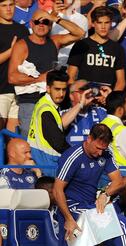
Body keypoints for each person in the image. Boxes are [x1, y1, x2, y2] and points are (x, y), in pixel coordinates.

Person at [53, 123, 126, 246]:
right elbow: (57, 189)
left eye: (103, 149)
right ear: (89, 139)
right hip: (72, 205)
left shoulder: (106, 153)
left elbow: (119, 182)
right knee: (115, 222)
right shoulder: (73, 156)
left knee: (121, 221)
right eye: (98, 148)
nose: (100, 153)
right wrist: (68, 218)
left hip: (90, 204)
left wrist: (105, 194)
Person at [8, 8, 85, 135]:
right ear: (31, 24)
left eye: (45, 22)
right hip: (30, 102)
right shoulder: (22, 45)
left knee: (51, 138)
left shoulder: (55, 41)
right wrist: (39, 78)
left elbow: (80, 33)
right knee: (31, 140)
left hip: (52, 101)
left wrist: (56, 18)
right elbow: (12, 77)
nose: (41, 25)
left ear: (50, 25)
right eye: (37, 22)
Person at [28, 70, 94, 177]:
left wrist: (80, 104)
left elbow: (59, 126)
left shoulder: (47, 104)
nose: (61, 94)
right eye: (57, 89)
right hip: (47, 166)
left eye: (64, 89)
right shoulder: (46, 109)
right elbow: (57, 142)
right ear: (48, 88)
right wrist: (79, 155)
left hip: (46, 163)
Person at [67, 6, 126, 91]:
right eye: (99, 22)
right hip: (84, 97)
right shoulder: (81, 45)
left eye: (106, 22)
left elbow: (121, 82)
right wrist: (79, 96)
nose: (103, 26)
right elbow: (71, 77)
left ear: (111, 24)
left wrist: (111, 99)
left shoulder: (117, 49)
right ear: (93, 23)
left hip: (107, 98)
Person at [0, 0, 29, 132]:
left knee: (13, 135)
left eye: (11, 5)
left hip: (19, 90)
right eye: (4, 6)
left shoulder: (22, 29)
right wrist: (12, 51)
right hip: (1, 90)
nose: (8, 9)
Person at [61, 79, 109, 146]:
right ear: (71, 96)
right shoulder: (64, 113)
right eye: (82, 90)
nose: (86, 93)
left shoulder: (100, 112)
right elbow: (61, 125)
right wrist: (80, 104)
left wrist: (109, 99)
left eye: (89, 90)